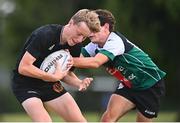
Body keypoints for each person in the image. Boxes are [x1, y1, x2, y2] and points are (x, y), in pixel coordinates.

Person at [73, 9, 166, 122]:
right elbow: (79, 59)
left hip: (149, 84)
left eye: (94, 27)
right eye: (89, 27)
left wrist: (68, 60)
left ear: (106, 27)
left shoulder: (115, 42)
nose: (90, 32)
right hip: (129, 85)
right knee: (107, 119)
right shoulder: (94, 44)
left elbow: (95, 62)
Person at [11, 9, 101, 122]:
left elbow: (64, 74)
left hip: (50, 85)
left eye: (84, 37)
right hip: (26, 85)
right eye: (79, 33)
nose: (79, 40)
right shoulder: (44, 35)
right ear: (71, 23)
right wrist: (51, 77)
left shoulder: (76, 46)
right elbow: (23, 67)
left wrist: (78, 82)